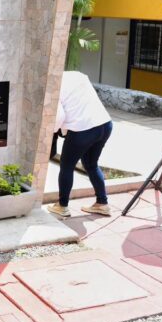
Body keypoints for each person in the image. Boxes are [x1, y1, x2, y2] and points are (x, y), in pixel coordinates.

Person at [47, 71, 113, 217]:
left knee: (66, 166)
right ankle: (102, 203)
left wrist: (50, 133)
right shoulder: (78, 75)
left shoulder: (52, 84)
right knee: (91, 164)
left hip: (83, 129)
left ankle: (62, 206)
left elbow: (59, 117)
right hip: (105, 124)